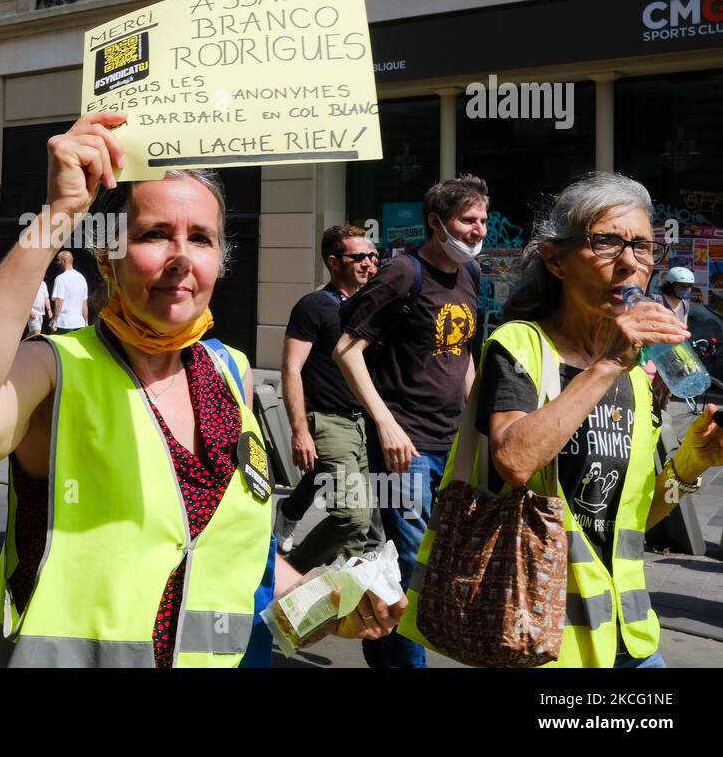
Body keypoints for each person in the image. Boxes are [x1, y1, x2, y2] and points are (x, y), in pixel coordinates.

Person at [0, 113, 405, 667]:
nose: (182, 258)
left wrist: (325, 602)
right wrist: (58, 216)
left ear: (218, 263)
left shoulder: (230, 370)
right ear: (107, 256)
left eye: (201, 239)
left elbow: (232, 550)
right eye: (156, 235)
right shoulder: (57, 365)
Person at [406, 172, 723, 667]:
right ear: (556, 259)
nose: (629, 264)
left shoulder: (638, 376)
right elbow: (513, 458)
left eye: (642, 247)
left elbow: (633, 519)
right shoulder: (519, 346)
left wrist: (690, 465)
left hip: (631, 636)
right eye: (606, 243)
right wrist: (608, 365)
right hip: (538, 635)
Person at [333, 175, 488, 669]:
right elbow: (346, 350)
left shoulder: (472, 276)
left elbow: (463, 354)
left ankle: (384, 647)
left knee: (431, 558)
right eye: (468, 220)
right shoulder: (403, 272)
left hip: (451, 439)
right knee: (411, 559)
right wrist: (387, 425)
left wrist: (478, 424)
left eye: (483, 219)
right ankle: (403, 664)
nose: (478, 229)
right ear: (436, 223)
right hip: (406, 444)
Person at [276, 225, 379, 568]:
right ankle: (286, 575)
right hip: (330, 422)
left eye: (373, 255)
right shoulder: (314, 306)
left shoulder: (371, 305)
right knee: (351, 518)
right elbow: (291, 368)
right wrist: (300, 430)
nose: (369, 263)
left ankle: (339, 602)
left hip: (364, 425)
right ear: (334, 263)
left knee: (365, 532)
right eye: (359, 257)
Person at [50, 249, 89, 333]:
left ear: (64, 261)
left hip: (63, 323)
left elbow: (59, 301)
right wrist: (86, 321)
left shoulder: (60, 278)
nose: (57, 263)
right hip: (79, 323)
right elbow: (84, 302)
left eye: (58, 260)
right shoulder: (82, 278)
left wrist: (55, 321)